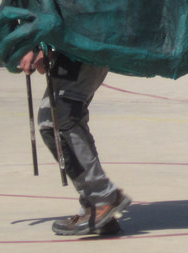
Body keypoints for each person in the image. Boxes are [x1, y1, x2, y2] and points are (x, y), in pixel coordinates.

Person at [19, 48, 131, 236]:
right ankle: (95, 205)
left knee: (56, 121)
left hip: (81, 46)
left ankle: (102, 198)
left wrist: (36, 46)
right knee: (69, 119)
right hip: (79, 47)